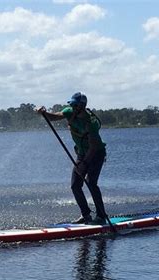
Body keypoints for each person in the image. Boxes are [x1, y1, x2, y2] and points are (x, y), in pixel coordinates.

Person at [36, 92, 108, 225]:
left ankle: (101, 216)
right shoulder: (69, 112)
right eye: (71, 104)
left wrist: (84, 163)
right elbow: (55, 117)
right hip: (82, 153)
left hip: (96, 153)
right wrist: (43, 112)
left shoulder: (91, 122)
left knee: (91, 183)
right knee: (75, 185)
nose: (72, 106)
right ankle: (86, 215)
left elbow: (92, 147)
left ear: (82, 105)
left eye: (75, 104)